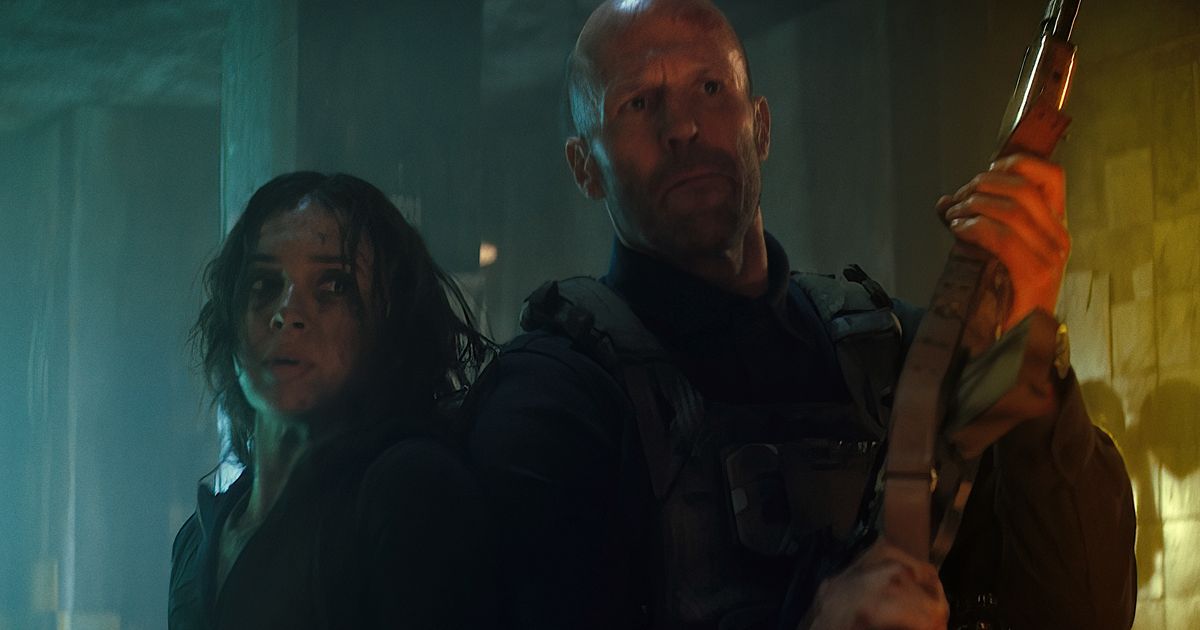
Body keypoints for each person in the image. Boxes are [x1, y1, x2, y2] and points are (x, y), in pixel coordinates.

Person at [468, 1, 1136, 629]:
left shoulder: (898, 356)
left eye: (710, 89)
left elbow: (1087, 607)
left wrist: (1026, 348)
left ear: (761, 127)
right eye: (638, 103)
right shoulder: (554, 396)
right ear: (584, 167)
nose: (683, 128)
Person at [169, 172, 496, 629]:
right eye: (264, 283)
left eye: (334, 286)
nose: (288, 312)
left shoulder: (409, 492)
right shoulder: (199, 538)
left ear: (389, 319)